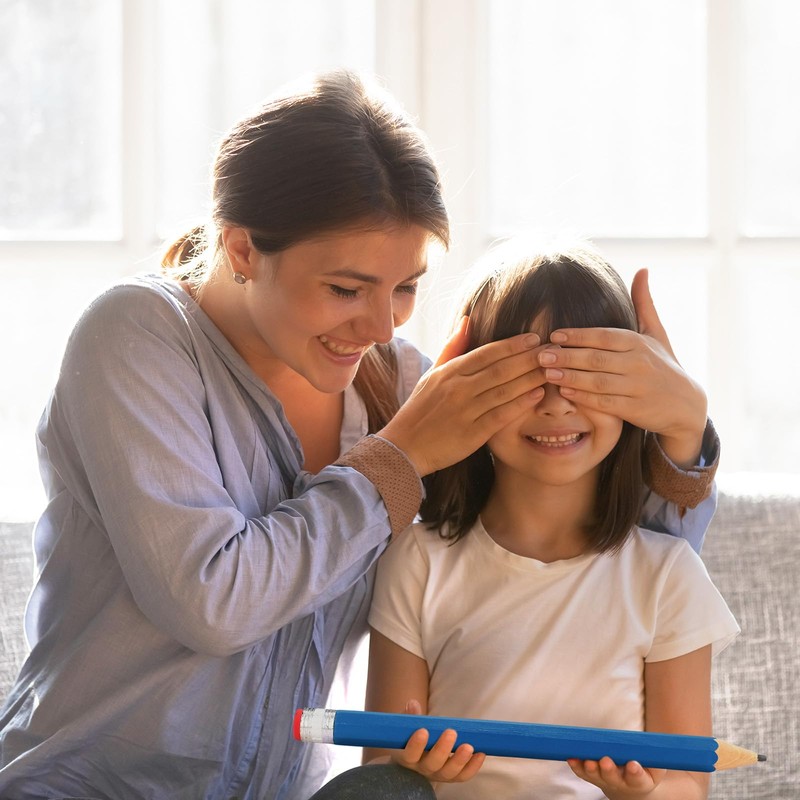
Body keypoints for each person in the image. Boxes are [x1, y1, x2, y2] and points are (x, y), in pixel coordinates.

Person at [0, 69, 718, 800]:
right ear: (243, 250)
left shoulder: (395, 387)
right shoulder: (136, 335)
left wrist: (682, 428)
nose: (381, 327)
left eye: (405, 287)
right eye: (346, 289)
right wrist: (400, 458)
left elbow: (606, 561)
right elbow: (213, 603)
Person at [365, 240, 739, 799]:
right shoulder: (417, 561)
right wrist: (414, 769)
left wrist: (638, 793)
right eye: (524, 377)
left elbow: (689, 783)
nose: (556, 404)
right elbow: (378, 765)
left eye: (585, 375)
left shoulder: (668, 575)